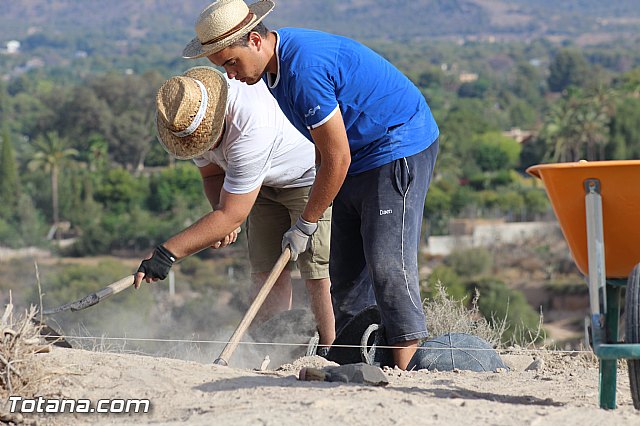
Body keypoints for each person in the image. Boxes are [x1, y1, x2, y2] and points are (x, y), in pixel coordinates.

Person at [182, 0, 440, 369]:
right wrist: (313, 213)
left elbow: (337, 158)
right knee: (346, 276)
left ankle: (406, 373)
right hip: (357, 154)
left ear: (254, 40)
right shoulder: (271, 74)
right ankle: (353, 366)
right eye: (223, 67)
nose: (231, 75)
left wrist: (305, 222)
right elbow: (324, 147)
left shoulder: (302, 69)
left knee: (386, 264)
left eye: (231, 63)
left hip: (397, 144)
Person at [134, 66, 335, 350]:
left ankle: (330, 349)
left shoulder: (250, 127)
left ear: (218, 121)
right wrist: (220, 209)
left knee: (314, 268)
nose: (198, 147)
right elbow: (213, 176)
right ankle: (269, 349)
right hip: (259, 184)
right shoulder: (188, 121)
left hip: (305, 178)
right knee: (265, 269)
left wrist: (166, 254)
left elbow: (231, 214)